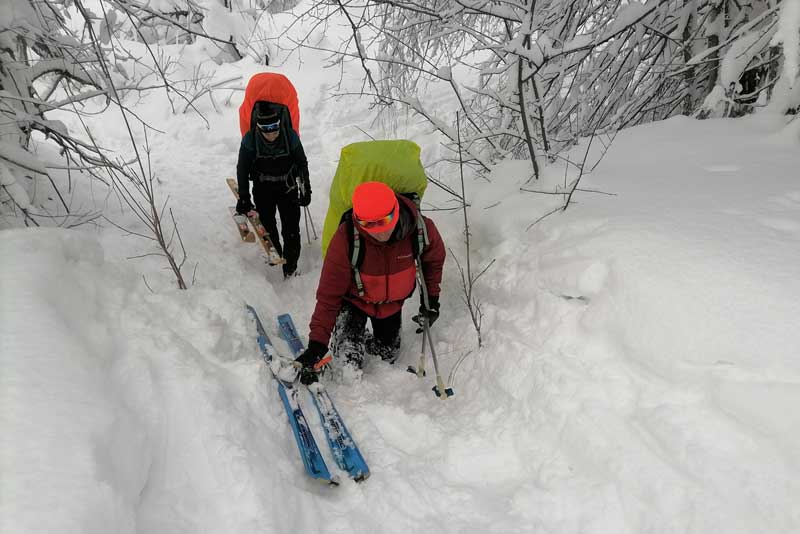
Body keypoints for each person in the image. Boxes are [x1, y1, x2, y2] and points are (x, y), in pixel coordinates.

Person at [294, 181, 446, 383]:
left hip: (391, 306)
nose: (377, 231)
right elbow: (329, 294)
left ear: (395, 210)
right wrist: (317, 344)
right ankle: (349, 336)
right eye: (368, 224)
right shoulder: (347, 238)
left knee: (387, 356)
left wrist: (431, 300)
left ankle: (361, 338)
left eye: (384, 221)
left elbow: (433, 262)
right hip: (354, 302)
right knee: (347, 363)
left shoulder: (421, 229)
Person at [236, 109, 310, 278]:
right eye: (267, 131)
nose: (272, 135)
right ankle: (273, 256)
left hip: (288, 187)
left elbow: (301, 163)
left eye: (275, 129)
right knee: (268, 224)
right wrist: (244, 196)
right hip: (263, 188)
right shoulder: (250, 139)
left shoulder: (289, 136)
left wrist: (306, 189)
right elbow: (242, 169)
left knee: (291, 229)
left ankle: (290, 269)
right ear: (259, 128)